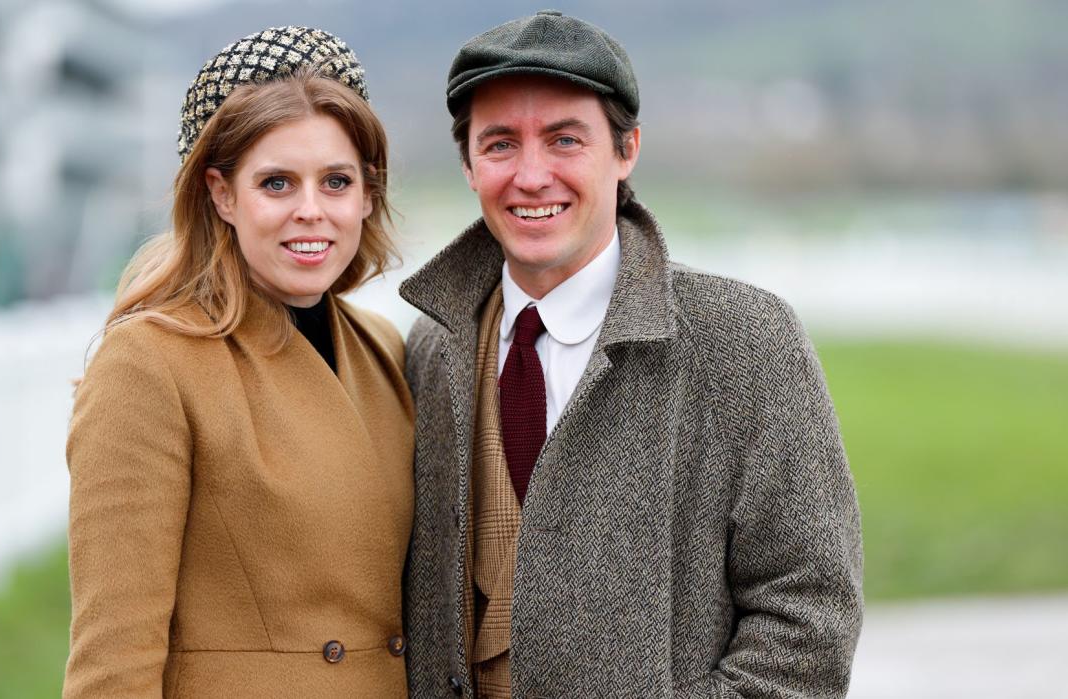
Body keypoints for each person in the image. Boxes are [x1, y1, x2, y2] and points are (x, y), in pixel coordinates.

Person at [399, 11, 863, 698]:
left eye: (564, 140)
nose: (531, 175)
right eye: (500, 144)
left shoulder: (749, 338)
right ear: (468, 164)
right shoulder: (430, 348)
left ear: (626, 150)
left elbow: (810, 620)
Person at [63, 27, 414, 698]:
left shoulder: (384, 349)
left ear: (368, 193)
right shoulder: (150, 363)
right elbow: (113, 662)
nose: (310, 211)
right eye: (276, 182)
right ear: (222, 194)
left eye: (336, 181)